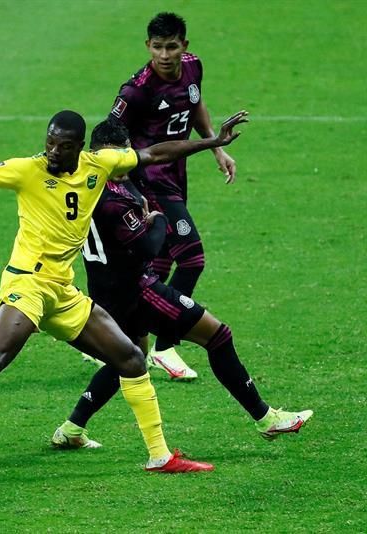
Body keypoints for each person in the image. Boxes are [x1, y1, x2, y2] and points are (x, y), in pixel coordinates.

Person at [0, 109, 248, 473]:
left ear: (79, 146)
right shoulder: (27, 170)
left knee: (131, 358)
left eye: (62, 145)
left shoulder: (99, 165)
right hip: (27, 284)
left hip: (62, 292)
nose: (52, 151)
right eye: (49, 142)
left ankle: (159, 457)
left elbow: (156, 152)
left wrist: (212, 141)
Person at [52, 119, 313, 450]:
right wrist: (157, 219)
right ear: (96, 154)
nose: (120, 164)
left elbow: (155, 159)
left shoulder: (83, 186)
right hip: (138, 289)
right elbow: (149, 245)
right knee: (218, 336)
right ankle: (266, 418)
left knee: (130, 356)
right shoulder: (111, 199)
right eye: (114, 157)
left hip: (107, 293)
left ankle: (72, 428)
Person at [109, 12, 236, 379]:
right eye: (158, 47)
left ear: (185, 46)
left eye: (172, 47)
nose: (165, 54)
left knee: (158, 265)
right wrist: (126, 189)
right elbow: (110, 140)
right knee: (192, 258)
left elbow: (194, 103)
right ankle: (165, 346)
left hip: (176, 177)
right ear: (147, 46)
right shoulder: (136, 90)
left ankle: (124, 339)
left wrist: (216, 147)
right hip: (148, 180)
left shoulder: (193, 68)